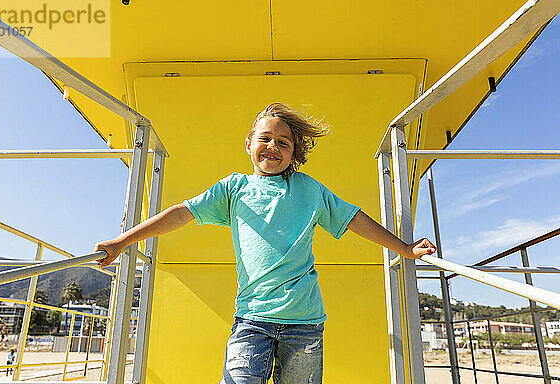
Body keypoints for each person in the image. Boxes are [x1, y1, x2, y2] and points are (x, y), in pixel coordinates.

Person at [95, 102, 436, 384]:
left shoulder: (309, 189)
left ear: (294, 153)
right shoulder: (234, 188)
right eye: (266, 138)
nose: (273, 146)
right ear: (249, 143)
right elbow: (182, 213)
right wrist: (122, 241)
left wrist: (404, 249)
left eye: (284, 142)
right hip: (251, 319)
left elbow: (354, 219)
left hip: (304, 323)